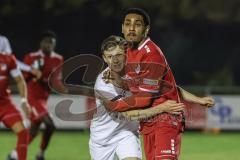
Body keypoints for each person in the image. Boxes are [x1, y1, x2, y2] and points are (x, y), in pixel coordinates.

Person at [101, 8, 215, 160]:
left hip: (166, 117)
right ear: (122, 28)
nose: (132, 28)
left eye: (138, 24)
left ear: (146, 29)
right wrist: (198, 99)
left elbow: (144, 98)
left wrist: (114, 105)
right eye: (128, 24)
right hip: (147, 121)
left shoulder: (151, 54)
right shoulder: (126, 51)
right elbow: (167, 84)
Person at [90, 35, 185, 160]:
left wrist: (198, 99)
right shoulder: (103, 83)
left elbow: (166, 87)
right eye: (110, 56)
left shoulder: (138, 72)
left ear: (126, 53)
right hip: (102, 139)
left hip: (127, 134)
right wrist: (161, 108)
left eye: (118, 55)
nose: (115, 60)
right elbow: (126, 114)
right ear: (104, 58)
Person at [23, 30, 67, 160]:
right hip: (32, 97)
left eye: (51, 43)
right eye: (46, 42)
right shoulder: (31, 57)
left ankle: (15, 153)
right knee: (50, 124)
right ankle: (41, 154)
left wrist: (61, 87)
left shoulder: (58, 59)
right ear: (41, 43)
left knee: (34, 130)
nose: (49, 45)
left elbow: (56, 80)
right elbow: (24, 78)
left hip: (43, 98)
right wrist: (33, 73)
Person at [0, 52, 31, 160]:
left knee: (23, 131)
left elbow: (20, 81)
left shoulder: (8, 59)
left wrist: (24, 101)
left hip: (4, 104)